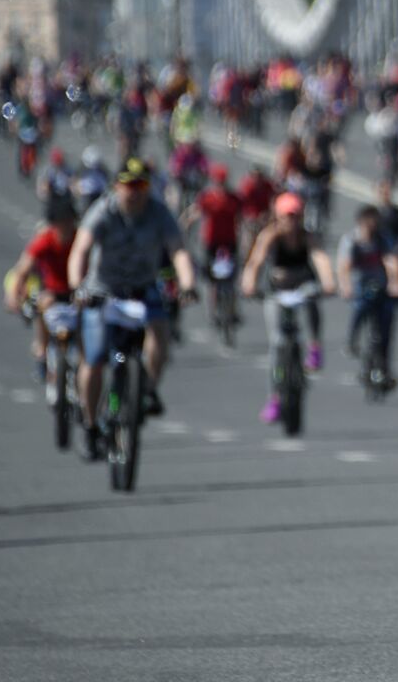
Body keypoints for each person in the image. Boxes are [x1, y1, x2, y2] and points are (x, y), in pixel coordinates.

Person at [67, 158, 197, 458]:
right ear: (117, 186)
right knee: (95, 357)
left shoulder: (158, 212)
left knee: (161, 334)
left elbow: (178, 250)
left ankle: (145, 389)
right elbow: (81, 249)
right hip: (103, 290)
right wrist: (77, 286)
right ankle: (89, 424)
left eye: (140, 185)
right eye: (129, 186)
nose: (134, 193)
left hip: (142, 288)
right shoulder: (104, 210)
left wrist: (188, 284)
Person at [242, 193, 335, 422]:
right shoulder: (270, 236)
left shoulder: (307, 237)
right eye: (286, 217)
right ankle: (274, 398)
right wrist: (250, 284)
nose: (291, 222)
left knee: (313, 301)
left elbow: (320, 258)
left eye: (295, 217)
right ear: (278, 217)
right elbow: (256, 261)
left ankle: (314, 346)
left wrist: (328, 281)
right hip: (277, 293)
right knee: (277, 343)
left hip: (302, 288)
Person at [5, 197, 79, 382]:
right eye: (61, 222)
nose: (66, 226)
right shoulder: (44, 241)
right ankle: (42, 351)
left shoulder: (80, 239)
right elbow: (22, 269)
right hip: (51, 291)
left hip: (76, 291)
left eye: (69, 221)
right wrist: (13, 296)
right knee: (42, 308)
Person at [337, 204, 398, 389]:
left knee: (387, 320)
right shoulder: (352, 240)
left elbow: (391, 260)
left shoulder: (382, 238)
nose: (372, 226)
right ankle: (352, 339)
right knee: (360, 308)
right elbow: (344, 266)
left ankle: (384, 363)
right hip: (360, 285)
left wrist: (396, 282)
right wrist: (346, 286)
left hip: (381, 285)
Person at [181, 163, 243, 323]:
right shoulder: (208, 197)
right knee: (213, 279)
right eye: (218, 181)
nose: (221, 185)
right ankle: (214, 310)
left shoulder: (233, 198)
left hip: (229, 242)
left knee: (231, 278)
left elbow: (242, 216)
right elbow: (195, 211)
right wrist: (185, 223)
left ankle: (233, 310)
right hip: (212, 242)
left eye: (223, 181)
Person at [76, 146, 109, 214]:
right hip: (86, 195)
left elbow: (107, 179)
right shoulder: (81, 169)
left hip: (99, 194)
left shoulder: (102, 170)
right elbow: (76, 181)